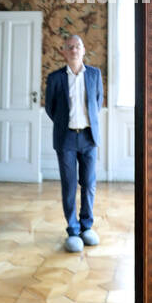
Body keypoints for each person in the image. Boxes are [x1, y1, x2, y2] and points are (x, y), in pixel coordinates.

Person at [44, 35, 104, 253]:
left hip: (89, 137)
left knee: (88, 183)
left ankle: (87, 226)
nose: (74, 50)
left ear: (84, 49)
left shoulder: (95, 75)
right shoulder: (55, 78)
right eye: (69, 47)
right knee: (69, 185)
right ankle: (73, 229)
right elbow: (50, 109)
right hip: (66, 138)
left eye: (77, 46)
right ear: (64, 52)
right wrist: (66, 124)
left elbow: (98, 102)